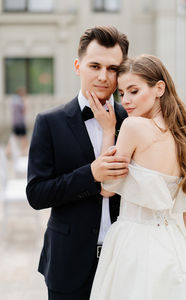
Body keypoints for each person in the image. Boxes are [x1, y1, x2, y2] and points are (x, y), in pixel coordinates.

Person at [26, 26, 129, 300]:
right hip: (67, 263)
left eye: (112, 68)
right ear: (77, 66)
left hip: (124, 262)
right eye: (94, 65)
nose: (103, 76)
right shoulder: (49, 122)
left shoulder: (132, 122)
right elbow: (36, 194)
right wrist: (91, 174)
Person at [89, 55, 186, 300]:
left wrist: (108, 130)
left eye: (134, 91)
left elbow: (107, 188)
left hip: (135, 242)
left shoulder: (132, 126)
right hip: (176, 245)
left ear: (159, 88)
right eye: (121, 93)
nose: (126, 100)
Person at [10, 86, 28, 156]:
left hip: (15, 122)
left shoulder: (14, 100)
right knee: (23, 136)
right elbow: (24, 110)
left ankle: (8, 151)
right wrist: (24, 101)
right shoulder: (20, 101)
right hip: (20, 122)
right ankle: (24, 151)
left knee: (14, 136)